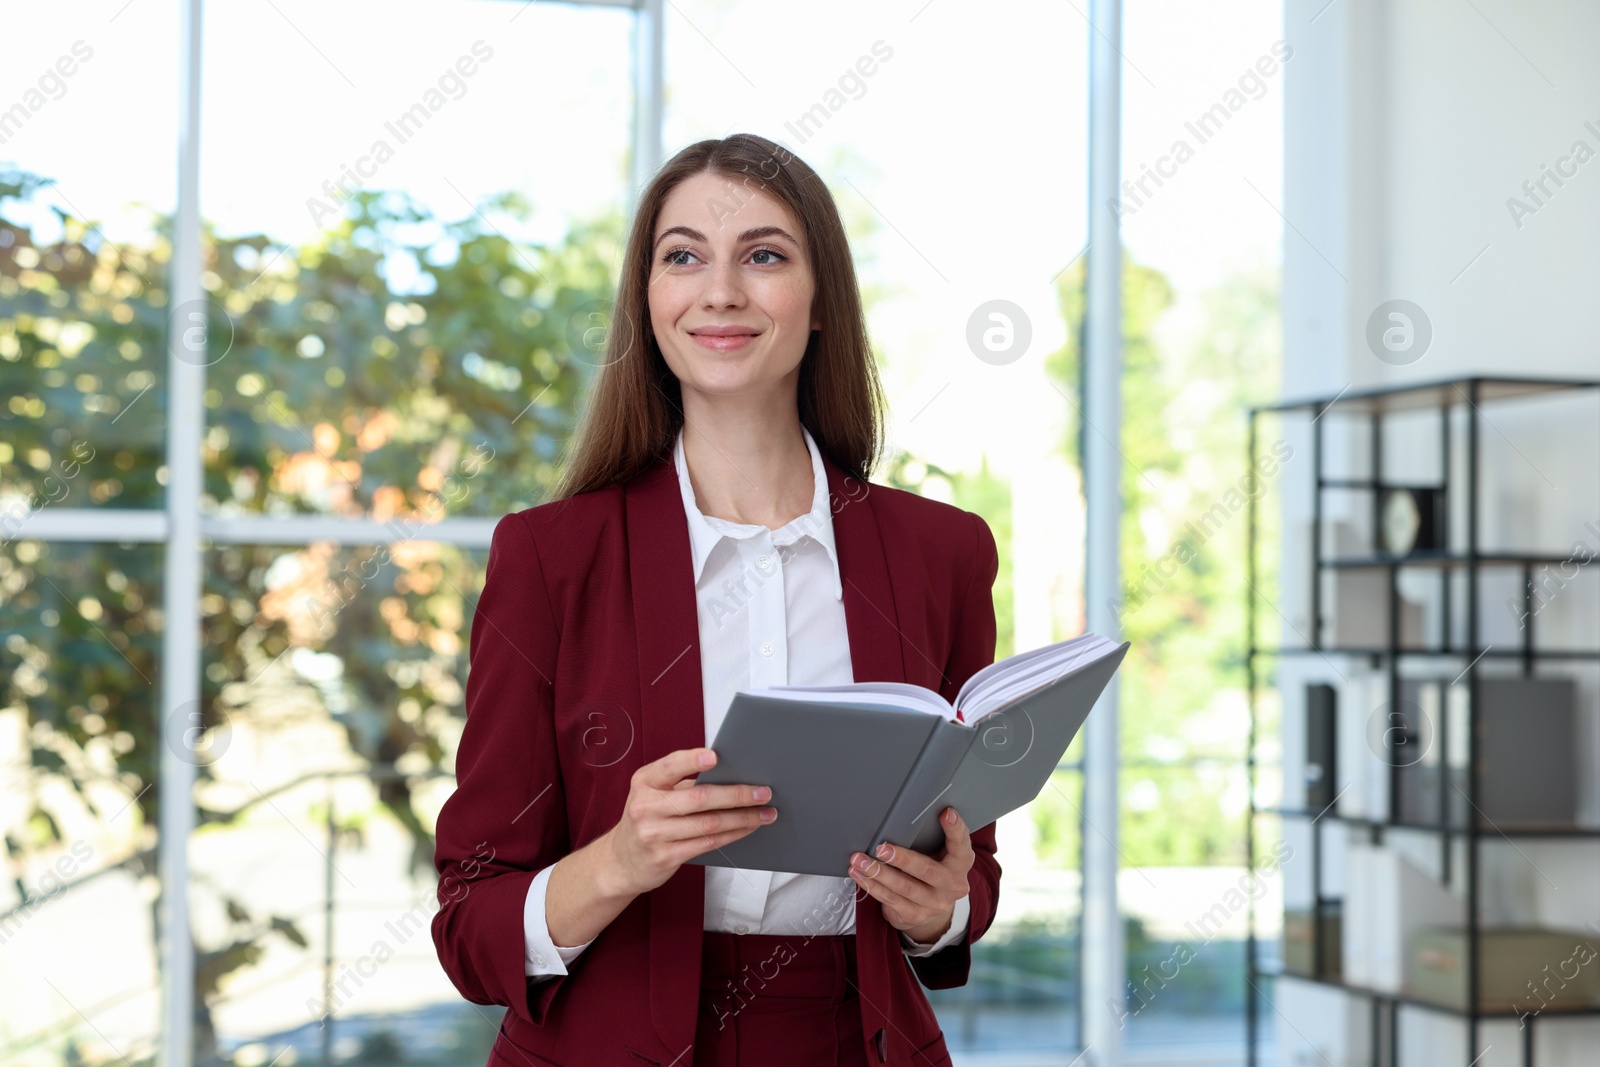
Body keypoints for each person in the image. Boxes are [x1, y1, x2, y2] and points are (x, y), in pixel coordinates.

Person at [431, 132, 1001, 1067]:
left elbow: (967, 863)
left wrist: (947, 911)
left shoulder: (941, 553)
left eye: (764, 256)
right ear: (648, 301)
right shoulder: (548, 558)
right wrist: (621, 858)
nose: (720, 290)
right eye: (683, 256)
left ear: (820, 304)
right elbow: (469, 923)